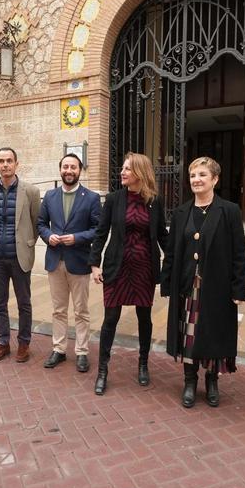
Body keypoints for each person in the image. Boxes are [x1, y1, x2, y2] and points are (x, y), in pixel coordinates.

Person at [161, 157, 245, 408]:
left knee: (213, 334)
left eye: (202, 175)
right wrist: (167, 283)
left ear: (215, 179)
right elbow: (172, 252)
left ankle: (211, 380)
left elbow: (239, 253)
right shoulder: (180, 213)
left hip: (217, 288)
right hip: (187, 286)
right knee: (189, 335)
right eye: (192, 176)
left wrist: (238, 288)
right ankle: (190, 381)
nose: (196, 180)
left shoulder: (229, 211)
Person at [89, 152, 167, 395]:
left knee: (145, 318)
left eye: (127, 169)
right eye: (122, 168)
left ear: (140, 173)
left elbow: (162, 236)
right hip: (117, 267)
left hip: (144, 267)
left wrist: (175, 261)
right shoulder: (114, 199)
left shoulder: (154, 201)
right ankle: (102, 370)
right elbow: (101, 232)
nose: (122, 172)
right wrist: (94, 263)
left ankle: (143, 364)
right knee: (110, 318)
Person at [37, 153, 102, 372]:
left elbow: (98, 230)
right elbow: (40, 223)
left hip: (80, 262)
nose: (69, 171)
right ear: (60, 169)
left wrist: (77, 237)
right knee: (58, 310)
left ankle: (82, 352)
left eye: (73, 167)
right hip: (55, 261)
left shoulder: (91, 198)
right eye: (65, 166)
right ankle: (59, 349)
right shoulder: (50, 196)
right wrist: (48, 236)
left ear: (80, 170)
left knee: (81, 311)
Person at [0, 147, 42, 364]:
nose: (5, 164)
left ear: (17, 164)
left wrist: (27, 244)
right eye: (1, 161)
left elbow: (36, 223)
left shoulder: (31, 192)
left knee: (24, 302)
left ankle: (24, 342)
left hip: (19, 257)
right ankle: (3, 342)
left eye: (9, 160)